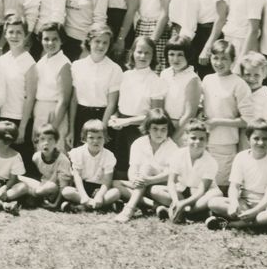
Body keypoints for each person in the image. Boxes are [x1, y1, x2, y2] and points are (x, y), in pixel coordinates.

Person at [206, 120, 267, 234]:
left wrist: (255, 211)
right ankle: (260, 224)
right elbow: (234, 186)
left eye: (265, 139)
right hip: (244, 202)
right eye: (256, 138)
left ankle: (233, 224)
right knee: (213, 202)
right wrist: (234, 203)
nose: (260, 142)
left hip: (266, 205)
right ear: (248, 139)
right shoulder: (241, 157)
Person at [108, 36, 165, 180]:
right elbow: (119, 105)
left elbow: (155, 116)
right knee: (120, 165)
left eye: (147, 53)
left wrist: (126, 122)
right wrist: (115, 117)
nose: (143, 56)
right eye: (139, 52)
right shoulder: (125, 75)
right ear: (132, 53)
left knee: (138, 169)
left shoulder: (156, 81)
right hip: (120, 128)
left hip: (141, 130)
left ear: (153, 56)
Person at [201, 39, 255, 189]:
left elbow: (247, 120)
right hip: (204, 140)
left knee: (220, 185)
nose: (219, 63)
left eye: (224, 58)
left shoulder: (239, 84)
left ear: (233, 60)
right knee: (202, 182)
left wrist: (217, 122)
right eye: (215, 58)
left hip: (225, 142)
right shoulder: (207, 80)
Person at [113, 108, 177, 223]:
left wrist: (149, 181)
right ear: (148, 128)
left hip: (160, 188)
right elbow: (133, 168)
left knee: (148, 170)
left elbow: (171, 175)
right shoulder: (139, 143)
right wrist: (134, 179)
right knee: (115, 183)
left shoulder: (172, 147)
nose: (159, 133)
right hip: (142, 184)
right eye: (155, 129)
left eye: (163, 129)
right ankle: (155, 206)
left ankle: (129, 209)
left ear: (168, 130)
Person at [152, 117, 218, 223]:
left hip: (200, 195)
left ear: (207, 141)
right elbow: (171, 182)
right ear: (186, 139)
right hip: (182, 192)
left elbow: (202, 190)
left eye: (202, 139)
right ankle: (190, 212)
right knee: (154, 190)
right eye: (193, 138)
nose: (197, 142)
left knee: (215, 195)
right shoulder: (178, 154)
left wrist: (183, 204)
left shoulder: (210, 161)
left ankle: (184, 212)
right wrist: (176, 200)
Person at [68, 24, 122, 149]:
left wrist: (102, 130)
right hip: (80, 117)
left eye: (105, 42)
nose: (101, 46)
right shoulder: (77, 66)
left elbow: (111, 104)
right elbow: (74, 100)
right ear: (89, 41)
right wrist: (71, 129)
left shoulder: (114, 69)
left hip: (103, 117)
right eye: (97, 41)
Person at [0, 15, 37, 168]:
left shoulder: (30, 63)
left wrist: (22, 128)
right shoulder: (1, 60)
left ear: (25, 35)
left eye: (19, 32)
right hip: (0, 116)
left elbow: (30, 97)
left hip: (19, 119)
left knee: (20, 166)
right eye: (11, 32)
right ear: (5, 34)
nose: (14, 36)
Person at [61, 120, 121, 213]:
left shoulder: (108, 155)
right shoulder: (78, 152)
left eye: (99, 137)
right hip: (82, 187)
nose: (95, 141)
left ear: (105, 138)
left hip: (99, 187)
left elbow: (107, 181)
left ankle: (83, 207)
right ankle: (101, 206)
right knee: (66, 191)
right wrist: (83, 195)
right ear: (84, 138)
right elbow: (77, 177)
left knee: (116, 193)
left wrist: (100, 196)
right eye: (91, 137)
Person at [32, 23, 71, 149]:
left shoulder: (64, 63)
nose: (50, 43)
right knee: (39, 153)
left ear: (62, 41)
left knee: (54, 151)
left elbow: (64, 101)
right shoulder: (42, 61)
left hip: (54, 113)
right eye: (46, 39)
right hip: (39, 110)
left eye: (55, 39)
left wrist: (52, 129)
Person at [17, 124, 72, 209]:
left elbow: (63, 186)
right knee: (19, 177)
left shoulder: (63, 160)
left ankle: (31, 196)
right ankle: (36, 197)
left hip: (55, 191)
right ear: (37, 142)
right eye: (42, 139)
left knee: (51, 186)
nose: (46, 143)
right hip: (41, 187)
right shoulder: (36, 157)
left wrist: (55, 204)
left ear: (56, 142)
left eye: (50, 139)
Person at [160, 37, 200, 144]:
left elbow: (189, 114)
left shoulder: (192, 78)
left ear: (188, 55)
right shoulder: (164, 74)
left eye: (180, 54)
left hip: (181, 130)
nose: (175, 59)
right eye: (171, 54)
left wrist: (173, 139)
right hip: (163, 127)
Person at [239, 52, 267, 128]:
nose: (252, 79)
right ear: (242, 75)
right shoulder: (240, 92)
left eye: (256, 75)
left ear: (264, 74)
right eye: (247, 74)